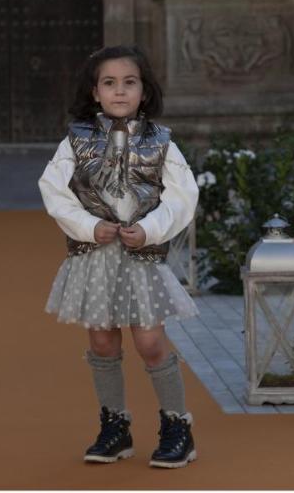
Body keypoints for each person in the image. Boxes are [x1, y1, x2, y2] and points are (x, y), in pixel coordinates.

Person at [38, 46, 200, 469]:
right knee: (103, 341)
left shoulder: (161, 142)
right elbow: (54, 190)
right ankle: (115, 426)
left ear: (144, 92)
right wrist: (88, 227)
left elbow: (184, 196)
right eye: (109, 83)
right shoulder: (76, 140)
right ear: (95, 92)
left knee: (149, 340)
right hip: (95, 257)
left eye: (129, 82)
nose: (120, 91)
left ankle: (177, 425)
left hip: (141, 258)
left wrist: (150, 230)